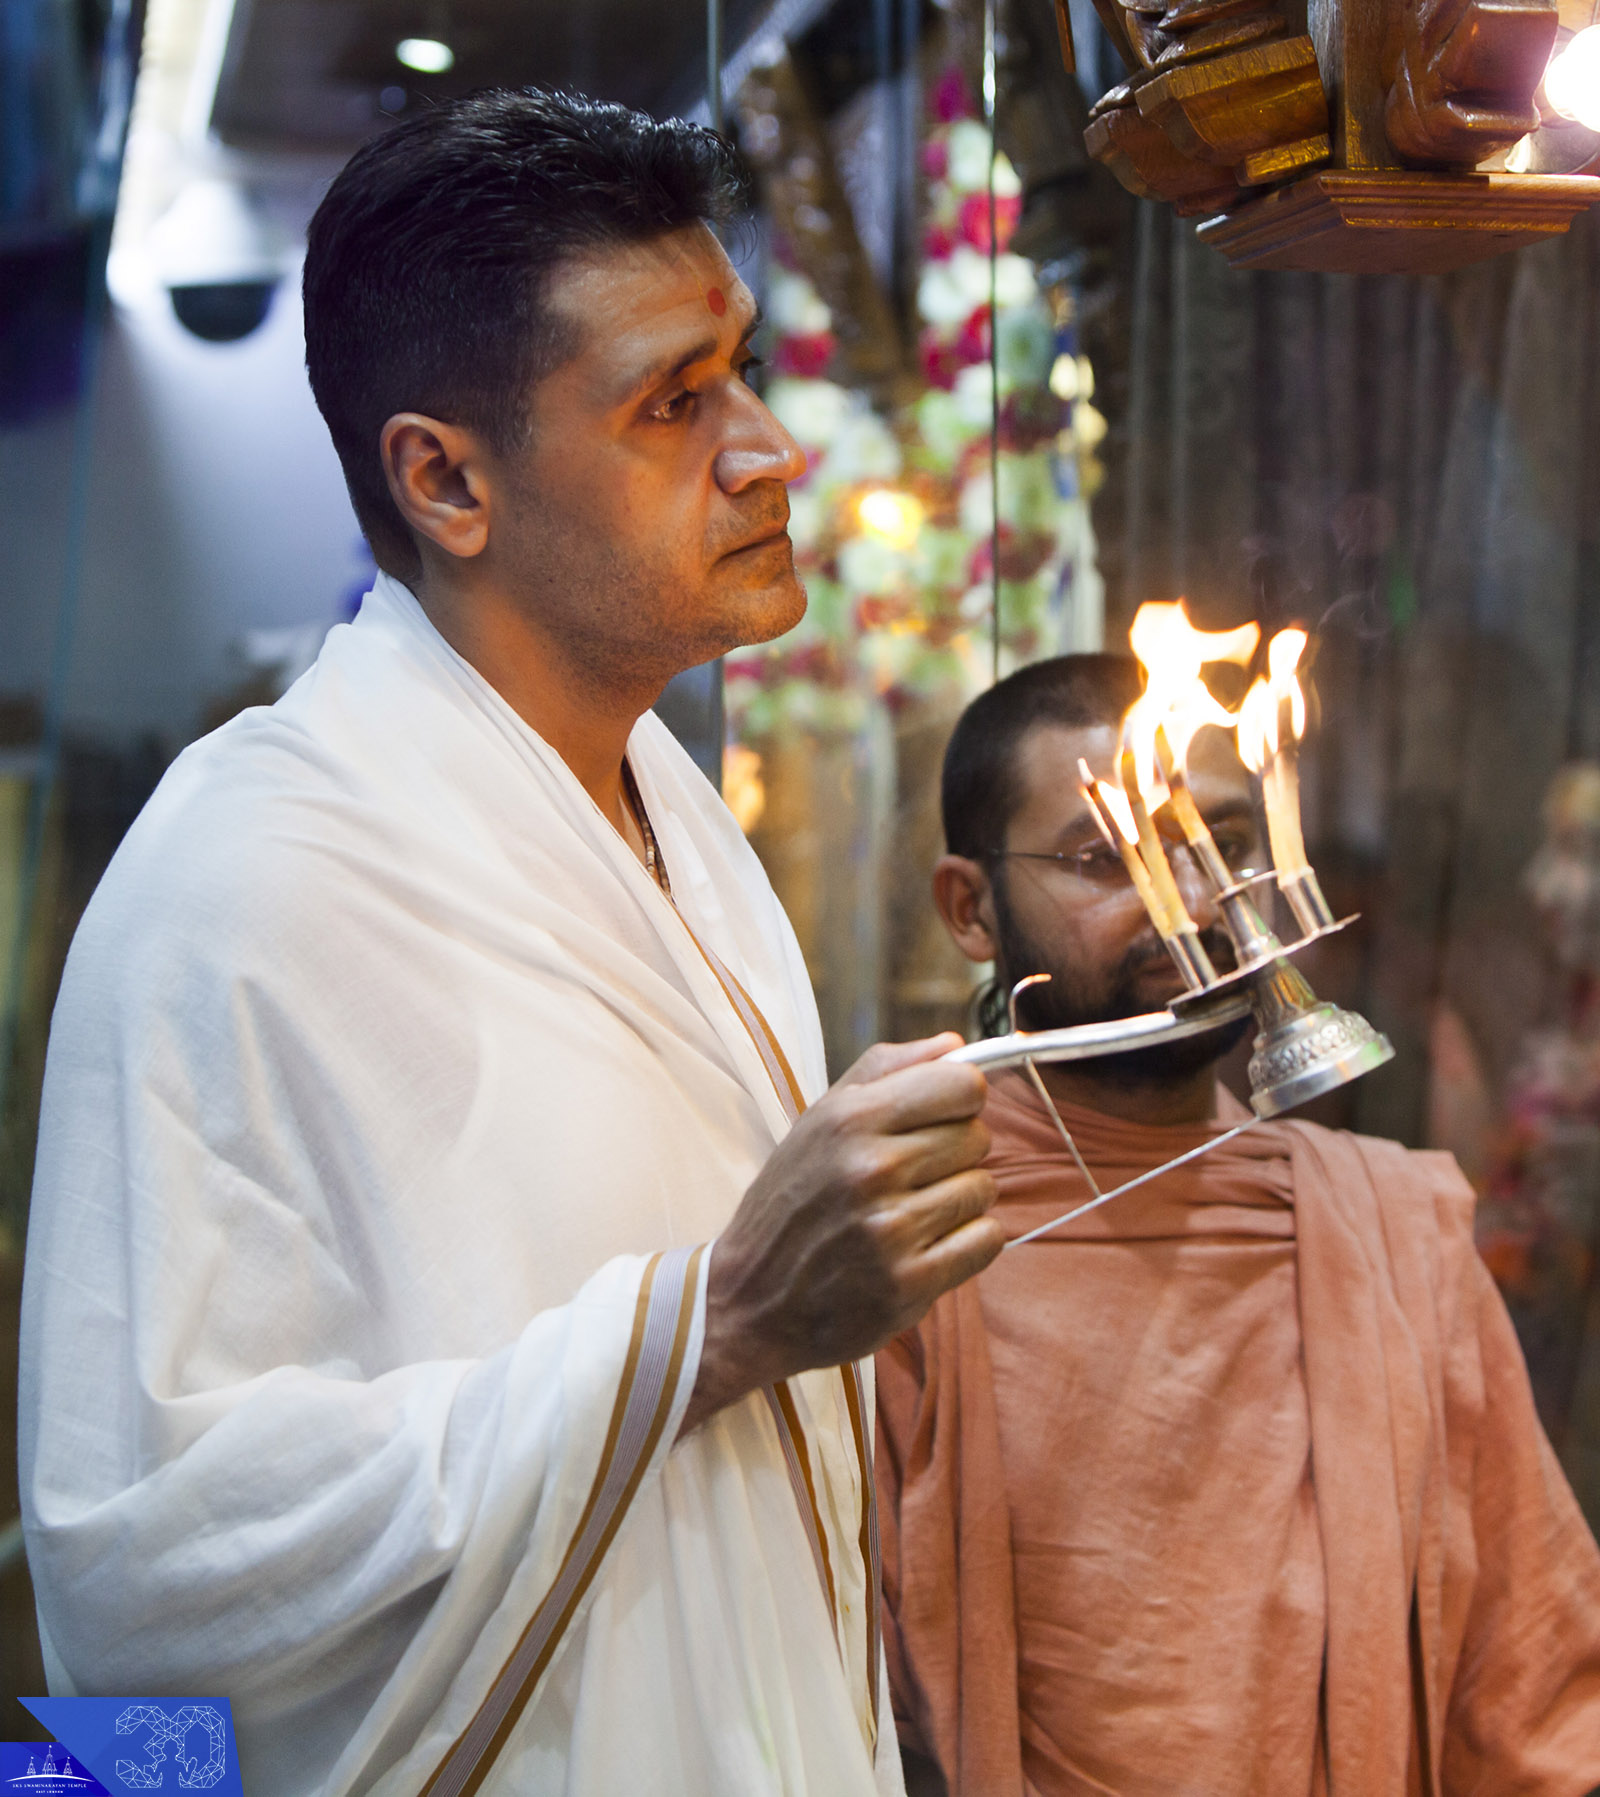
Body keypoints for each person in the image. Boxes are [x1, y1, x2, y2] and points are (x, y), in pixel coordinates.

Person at [18, 92, 1004, 1797]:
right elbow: (140, 1575)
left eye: (740, 369)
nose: (768, 447)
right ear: (446, 477)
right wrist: (712, 1326)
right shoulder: (247, 873)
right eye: (674, 403)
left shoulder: (678, 823)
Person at [875, 653, 1600, 1797]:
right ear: (970, 909)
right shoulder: (895, 1254)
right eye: (1106, 856)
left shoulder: (1388, 1231)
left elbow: (1539, 1695)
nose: (1191, 900)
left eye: (1219, 841)